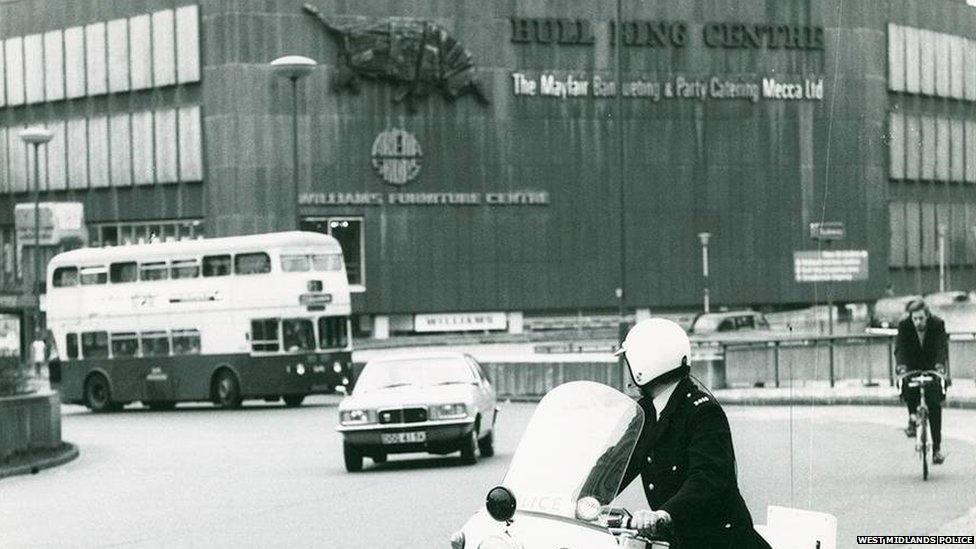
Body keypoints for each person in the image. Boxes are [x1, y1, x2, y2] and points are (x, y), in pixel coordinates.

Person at [615, 318, 770, 548]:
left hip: (723, 542)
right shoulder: (647, 412)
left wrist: (663, 514)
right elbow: (619, 462)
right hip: (682, 541)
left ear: (642, 366)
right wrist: (583, 493)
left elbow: (707, 477)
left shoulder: (703, 411)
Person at [895, 299, 949, 464]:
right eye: (915, 319)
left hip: (932, 366)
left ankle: (937, 449)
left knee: (934, 405)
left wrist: (940, 365)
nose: (918, 322)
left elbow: (941, 346)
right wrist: (902, 366)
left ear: (927, 316)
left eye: (921, 318)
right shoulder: (904, 326)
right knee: (907, 386)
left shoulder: (938, 324)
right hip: (911, 366)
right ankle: (912, 417)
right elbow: (900, 348)